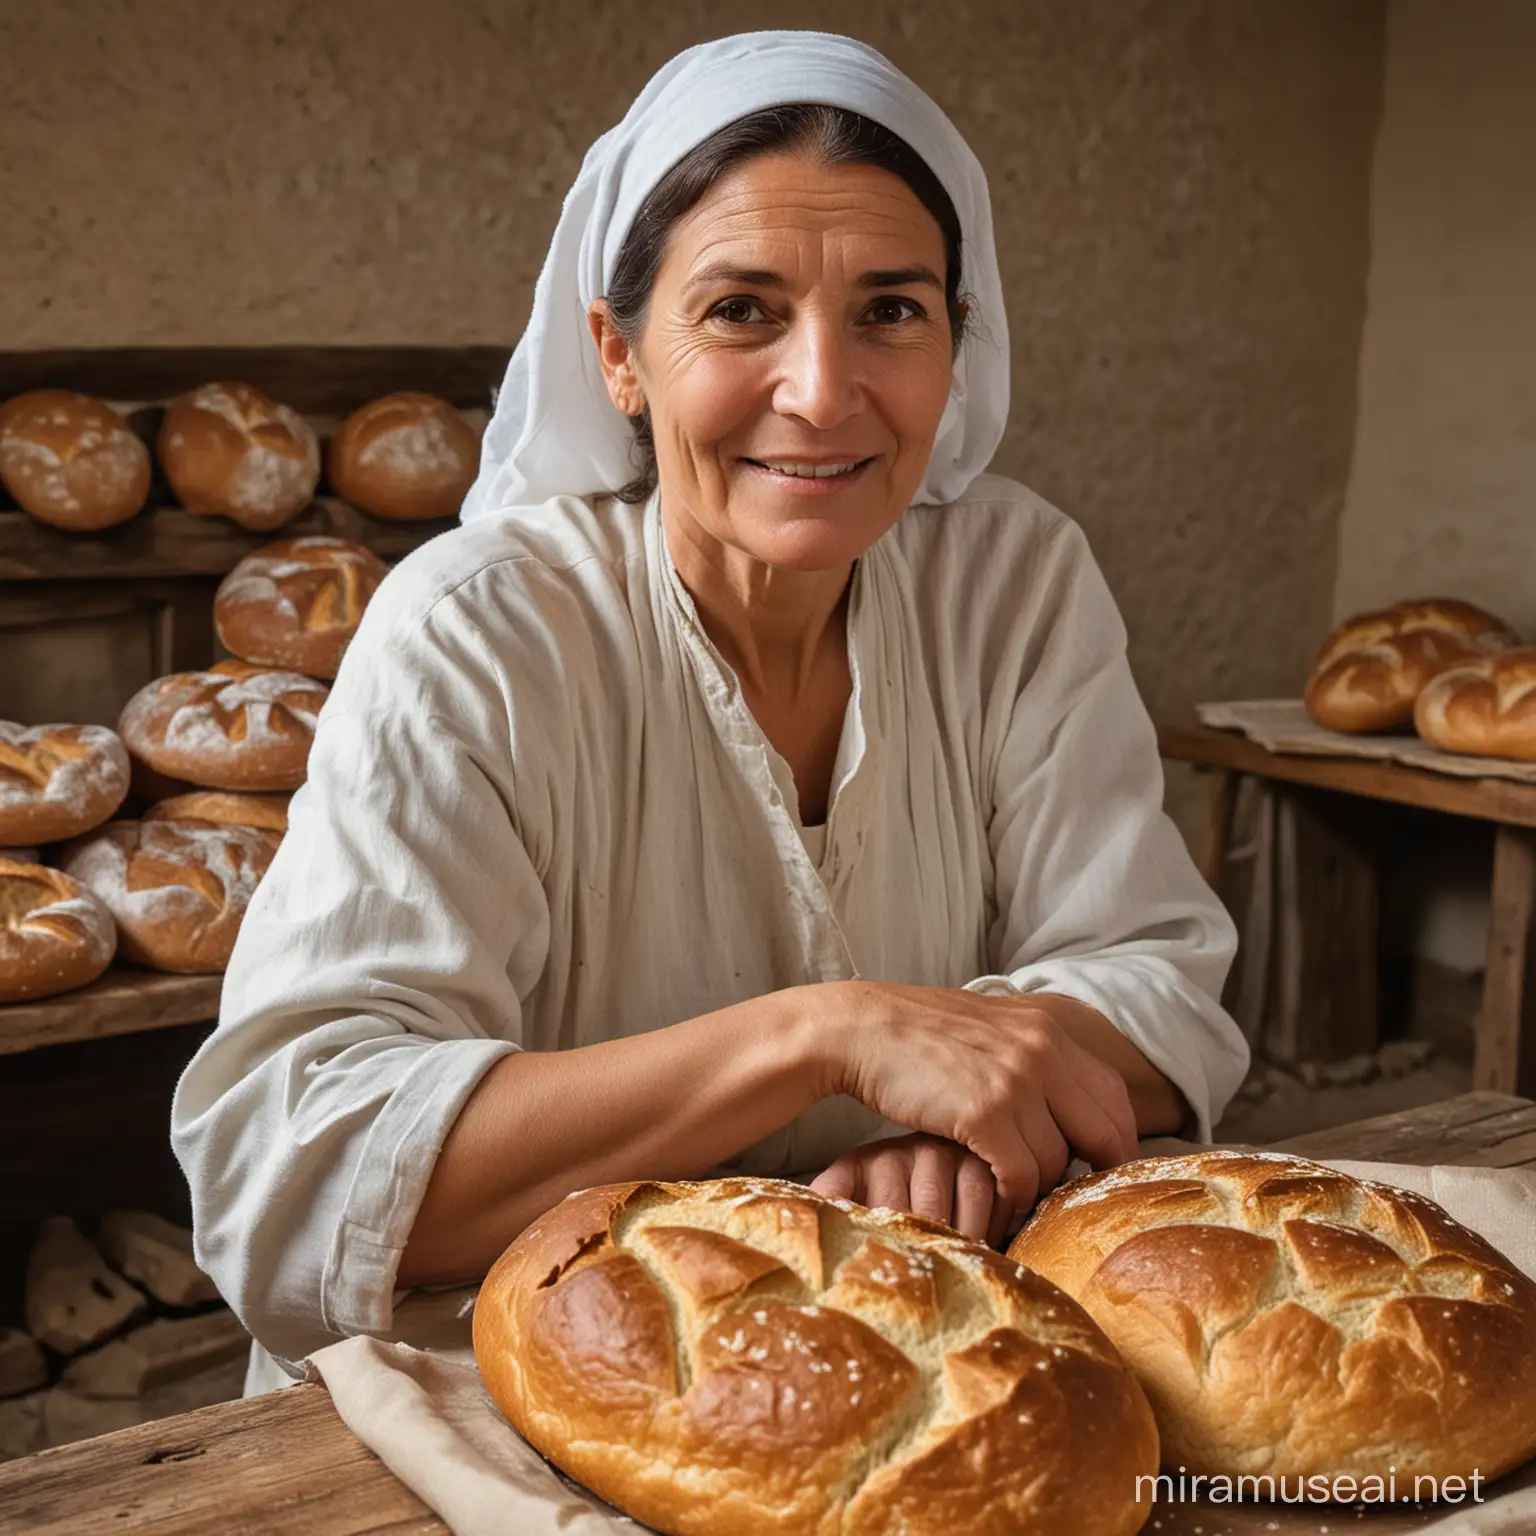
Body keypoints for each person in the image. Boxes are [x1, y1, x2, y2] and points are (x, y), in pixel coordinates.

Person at [172, 30, 1247, 1393]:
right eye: (742, 310)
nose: (821, 390)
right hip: (503, 1407)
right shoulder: (484, 630)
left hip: (900, 1364)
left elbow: (1157, 989)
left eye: (893, 311)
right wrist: (828, 1035)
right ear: (619, 354)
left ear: (958, 348)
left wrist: (967, 1129)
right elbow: (300, 1176)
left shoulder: (1015, 583)